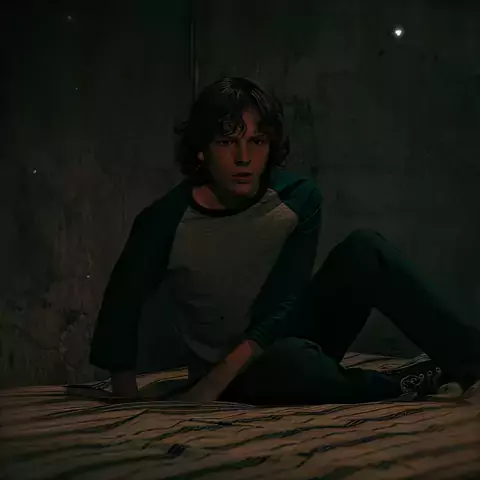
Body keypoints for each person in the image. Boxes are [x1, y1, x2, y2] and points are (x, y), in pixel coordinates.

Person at [89, 76, 480, 405]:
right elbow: (122, 303)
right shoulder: (164, 221)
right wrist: (129, 395)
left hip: (288, 335)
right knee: (291, 364)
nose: (244, 158)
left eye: (257, 142)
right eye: (227, 143)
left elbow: (284, 302)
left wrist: (208, 389)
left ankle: (471, 362)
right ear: (202, 152)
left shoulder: (298, 199)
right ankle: (401, 385)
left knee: (365, 250)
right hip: (240, 370)